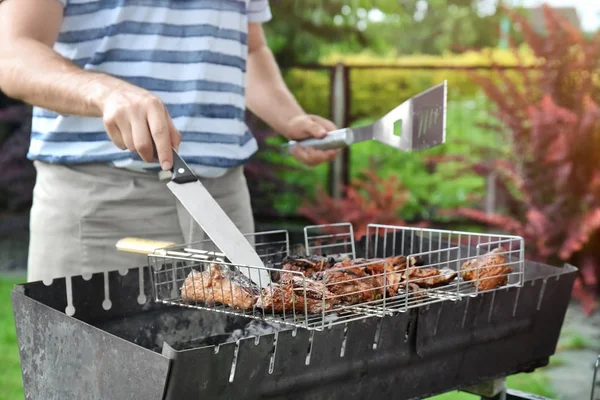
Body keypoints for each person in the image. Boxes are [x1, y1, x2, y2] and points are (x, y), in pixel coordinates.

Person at [0, 0, 339, 282]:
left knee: (235, 357)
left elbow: (249, 48)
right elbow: (13, 51)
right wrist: (104, 92)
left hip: (223, 203)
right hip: (101, 206)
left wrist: (289, 118)